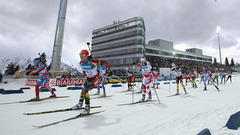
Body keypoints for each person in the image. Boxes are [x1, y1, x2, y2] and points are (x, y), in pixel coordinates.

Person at [72, 49, 111, 114]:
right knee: (83, 90)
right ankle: (80, 104)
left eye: (82, 56)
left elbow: (104, 62)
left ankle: (87, 107)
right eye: (80, 56)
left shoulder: (92, 60)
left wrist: (108, 70)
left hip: (95, 78)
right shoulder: (81, 62)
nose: (81, 57)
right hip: (88, 78)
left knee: (86, 89)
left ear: (86, 56)